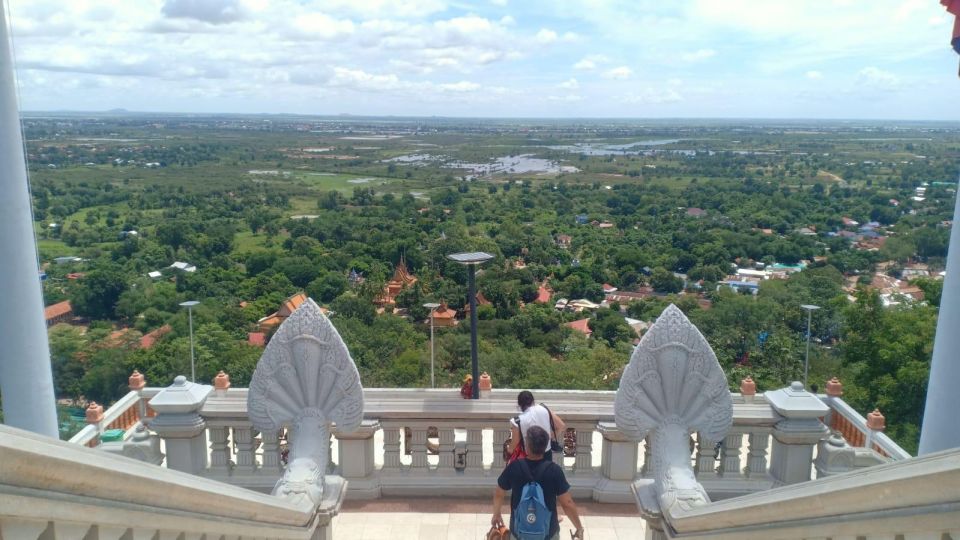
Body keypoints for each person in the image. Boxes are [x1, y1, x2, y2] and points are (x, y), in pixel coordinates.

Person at [492, 426, 584, 540]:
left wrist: (496, 514)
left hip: (519, 533)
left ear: (527, 446)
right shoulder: (554, 470)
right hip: (548, 533)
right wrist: (579, 527)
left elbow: (499, 493)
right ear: (545, 446)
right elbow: (567, 503)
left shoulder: (515, 467)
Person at [505, 391, 565, 462]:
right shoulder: (544, 409)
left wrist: (508, 452)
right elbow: (561, 426)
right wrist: (548, 438)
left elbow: (514, 444)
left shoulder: (517, 421)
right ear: (533, 401)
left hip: (528, 457)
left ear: (519, 404)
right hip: (546, 454)